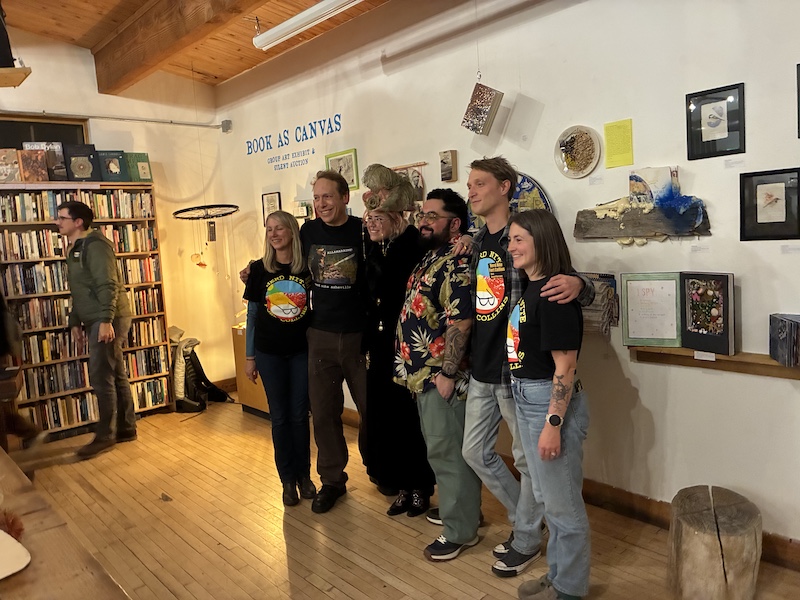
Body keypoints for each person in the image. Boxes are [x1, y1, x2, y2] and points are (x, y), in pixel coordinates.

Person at [463, 156, 594, 578]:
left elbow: (563, 288)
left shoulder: (532, 237)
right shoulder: (476, 241)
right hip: (491, 370)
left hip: (530, 382)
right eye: (469, 185)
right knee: (493, 459)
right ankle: (533, 531)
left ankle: (528, 540)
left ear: (505, 187)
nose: (472, 192)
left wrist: (581, 283)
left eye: (480, 183)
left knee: (540, 473)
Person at [394, 188, 482, 562]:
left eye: (432, 216)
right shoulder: (433, 256)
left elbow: (462, 319)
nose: (424, 221)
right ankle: (462, 511)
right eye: (423, 214)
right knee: (444, 450)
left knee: (447, 451)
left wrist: (446, 373)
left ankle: (460, 530)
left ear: (455, 223)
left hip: (441, 376)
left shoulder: (456, 263)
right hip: (422, 375)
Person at [507, 210, 590, 600]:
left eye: (520, 239)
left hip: (548, 402)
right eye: (510, 240)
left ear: (542, 240)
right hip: (528, 397)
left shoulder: (555, 293)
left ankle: (570, 590)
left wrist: (553, 423)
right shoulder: (533, 286)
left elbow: (566, 366)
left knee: (564, 508)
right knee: (547, 498)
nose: (511, 247)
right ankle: (559, 577)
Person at [361, 164, 435, 517]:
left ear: (395, 216)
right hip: (379, 348)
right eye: (368, 218)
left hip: (407, 347)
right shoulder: (376, 249)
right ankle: (402, 487)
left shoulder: (412, 246)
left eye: (378, 217)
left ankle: (420, 487)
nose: (371, 223)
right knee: (387, 419)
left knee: (410, 420)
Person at [302, 170, 368, 513]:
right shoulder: (308, 231)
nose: (321, 203)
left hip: (360, 336)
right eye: (316, 197)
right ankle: (332, 480)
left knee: (373, 410)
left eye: (327, 196)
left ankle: (380, 468)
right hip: (321, 335)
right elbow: (291, 267)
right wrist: (255, 270)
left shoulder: (362, 229)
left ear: (345, 197)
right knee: (324, 413)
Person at [243, 210, 316, 507]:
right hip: (268, 353)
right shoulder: (258, 269)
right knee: (280, 417)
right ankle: (287, 480)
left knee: (300, 416)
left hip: (301, 352)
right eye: (269, 229)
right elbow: (252, 315)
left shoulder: (308, 269)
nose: (273, 234)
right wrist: (250, 357)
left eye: (279, 228)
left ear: (291, 231)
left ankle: (304, 476)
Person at [57, 201, 137, 459]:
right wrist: (75, 320)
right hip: (97, 318)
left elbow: (107, 284)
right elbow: (80, 289)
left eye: (62, 218)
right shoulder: (75, 248)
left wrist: (105, 320)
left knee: (101, 376)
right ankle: (125, 429)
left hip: (109, 317)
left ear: (78, 222)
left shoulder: (96, 246)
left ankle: (105, 436)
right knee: (115, 373)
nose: (57, 222)